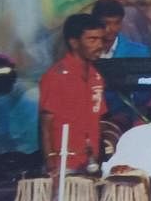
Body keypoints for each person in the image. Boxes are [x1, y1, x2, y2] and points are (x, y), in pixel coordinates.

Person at [38, 14, 106, 173]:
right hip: (64, 166)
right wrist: (51, 166)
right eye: (92, 40)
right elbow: (45, 126)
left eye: (101, 39)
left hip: (91, 163)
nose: (99, 45)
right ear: (74, 42)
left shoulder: (97, 77)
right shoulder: (56, 76)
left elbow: (98, 120)